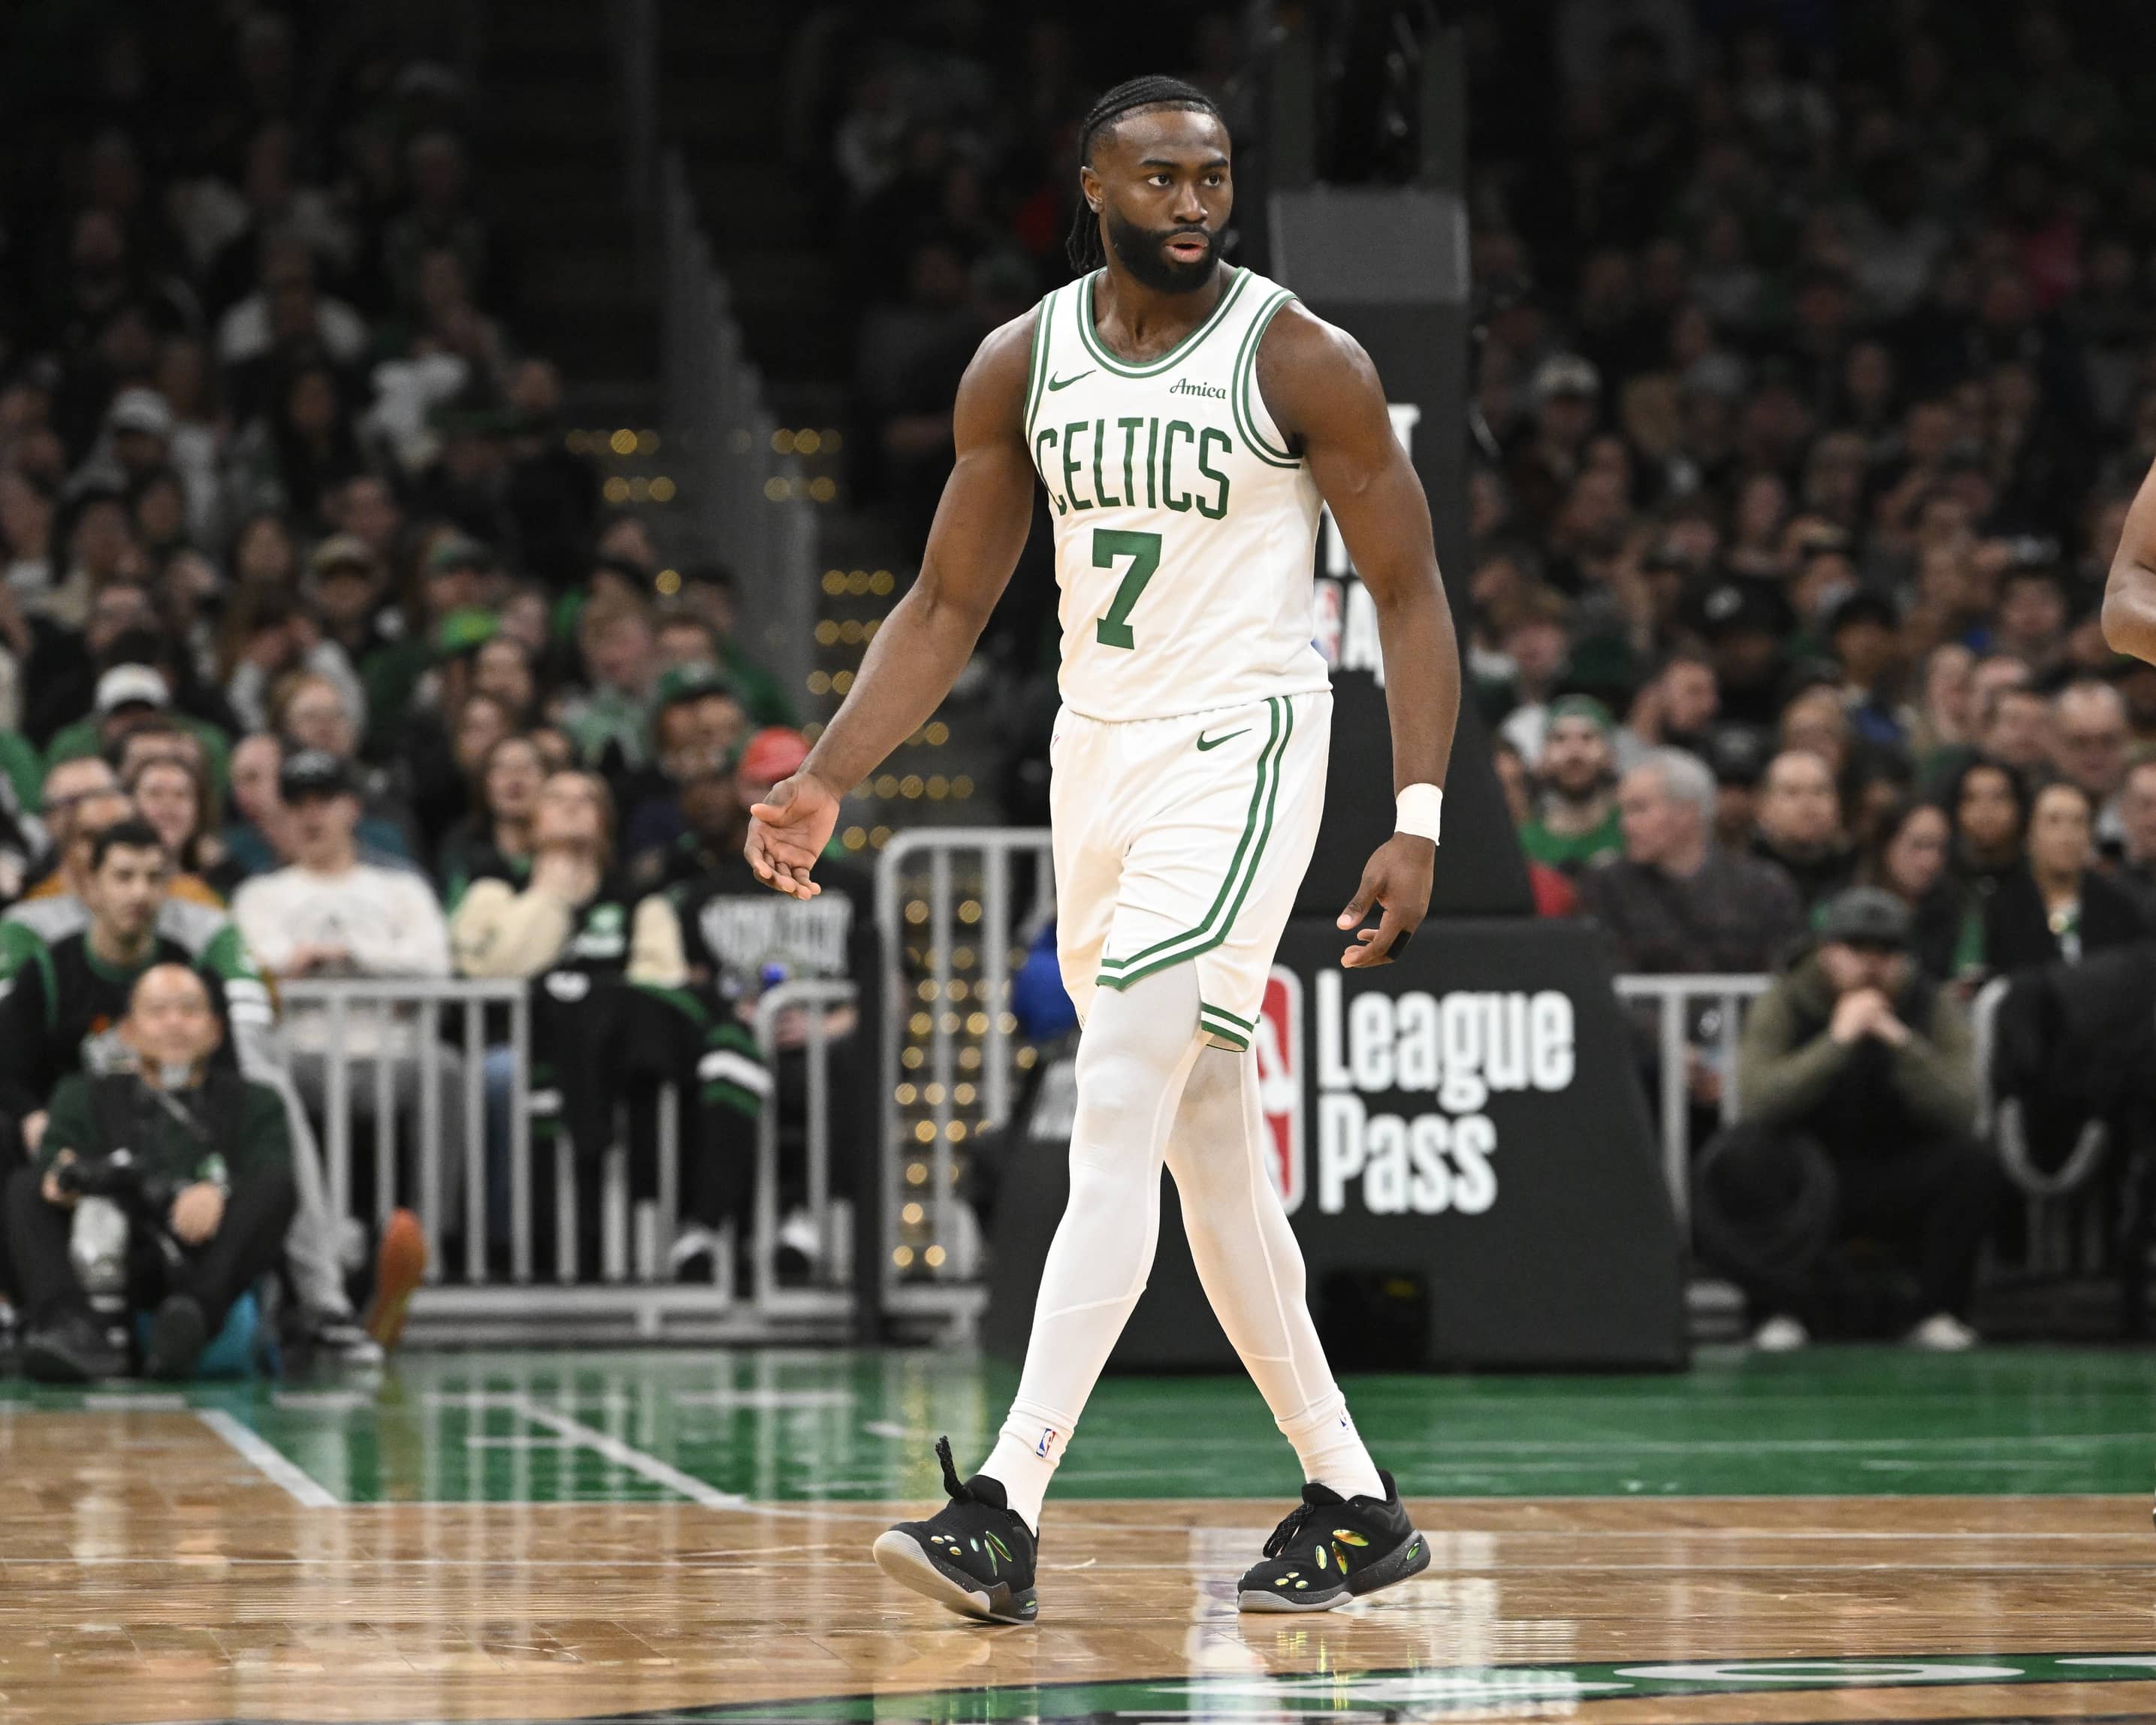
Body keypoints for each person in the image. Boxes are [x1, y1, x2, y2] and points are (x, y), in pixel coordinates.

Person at [748, 78, 1449, 1621]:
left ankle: (1002, 1500)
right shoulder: (1023, 363)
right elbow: (943, 603)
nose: (1192, 203)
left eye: (1212, 178)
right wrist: (828, 776)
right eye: (1160, 179)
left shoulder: (1299, 357)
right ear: (1092, 188)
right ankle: (1351, 1494)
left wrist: (1413, 816)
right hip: (1098, 756)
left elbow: (1407, 591)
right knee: (1205, 1140)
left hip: (1246, 744)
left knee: (1117, 1086)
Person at [1693, 887, 2000, 1354]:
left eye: (1887, 952)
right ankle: (1778, 1311)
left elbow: (1962, 1109)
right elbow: (1757, 1101)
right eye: (1857, 950)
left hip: (1894, 1165)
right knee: (1744, 1156)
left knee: (1972, 1162)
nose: (1872, 964)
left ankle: (1937, 1310)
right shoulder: (1786, 1000)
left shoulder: (1929, 1004)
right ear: (1827, 952)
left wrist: (1901, 1043)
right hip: (1807, 1171)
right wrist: (1836, 1042)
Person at [227, 748, 450, 1343]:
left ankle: (429, 1241)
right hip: (299, 1054)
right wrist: (301, 964)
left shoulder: (398, 887)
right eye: (297, 803)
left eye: (324, 801)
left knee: (449, 1071)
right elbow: (250, 966)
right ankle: (312, 1259)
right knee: (263, 1085)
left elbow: (436, 966)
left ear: (351, 808)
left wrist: (351, 960)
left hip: (392, 1054)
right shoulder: (261, 895)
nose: (311, 816)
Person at [7, 965, 297, 1382]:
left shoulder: (256, 1102)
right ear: (128, 1030)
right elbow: (55, 1163)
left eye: (189, 1010)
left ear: (216, 1030)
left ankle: (192, 1325)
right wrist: (65, 1180)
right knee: (24, 1188)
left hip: (204, 1257)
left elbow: (270, 1171)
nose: (174, 1023)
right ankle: (69, 1328)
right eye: (158, 1011)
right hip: (116, 1250)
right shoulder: (82, 1094)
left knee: (276, 1188)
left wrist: (220, 1190)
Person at [1982, 779, 2148, 974]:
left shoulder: (2120, 908)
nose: (2067, 835)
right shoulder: (1999, 908)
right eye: (2054, 821)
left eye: (2079, 822)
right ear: (2029, 834)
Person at [1860, 799, 1976, 983]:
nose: (1930, 861)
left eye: (1940, 848)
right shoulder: (1848, 908)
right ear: (1886, 844)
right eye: (1918, 845)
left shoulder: (1960, 909)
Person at [1519, 695, 1623, 874]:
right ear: (1542, 759)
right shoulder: (1526, 843)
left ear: (1610, 756)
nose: (1574, 751)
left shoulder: (1631, 831)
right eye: (1559, 739)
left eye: (1587, 737)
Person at [1751, 748, 1855, 908]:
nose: (1808, 805)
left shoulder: (1857, 872)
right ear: (1763, 806)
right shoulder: (1741, 877)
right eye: (1792, 793)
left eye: (1820, 792)